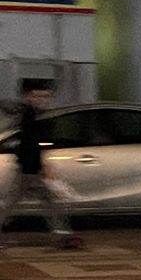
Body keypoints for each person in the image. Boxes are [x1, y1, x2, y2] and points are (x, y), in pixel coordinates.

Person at [0, 79, 81, 249]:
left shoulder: (30, 113)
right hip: (29, 168)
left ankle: (64, 234)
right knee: (42, 201)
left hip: (28, 168)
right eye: (38, 96)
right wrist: (43, 166)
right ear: (28, 96)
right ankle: (64, 235)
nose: (42, 100)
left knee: (20, 202)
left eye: (45, 96)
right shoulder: (30, 115)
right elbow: (31, 144)